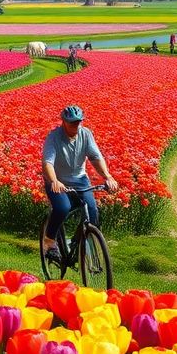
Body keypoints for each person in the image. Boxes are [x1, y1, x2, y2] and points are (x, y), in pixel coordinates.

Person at [41, 105, 120, 257]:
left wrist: (107, 176)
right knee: (63, 208)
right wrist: (55, 181)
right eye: (72, 123)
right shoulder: (53, 137)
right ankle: (49, 240)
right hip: (57, 181)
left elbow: (95, 157)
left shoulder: (86, 134)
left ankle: (86, 242)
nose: (76, 126)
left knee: (92, 210)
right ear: (63, 122)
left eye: (79, 122)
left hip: (80, 179)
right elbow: (47, 163)